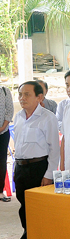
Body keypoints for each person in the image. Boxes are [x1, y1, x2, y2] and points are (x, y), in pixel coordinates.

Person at [11, 81, 59, 239]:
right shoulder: (19, 116)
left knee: (39, 212)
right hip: (20, 168)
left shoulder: (48, 117)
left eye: (27, 94)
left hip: (38, 168)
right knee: (24, 210)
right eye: (20, 94)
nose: (22, 98)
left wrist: (48, 174)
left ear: (40, 97)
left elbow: (54, 149)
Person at [0, 74, 13, 202]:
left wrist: (2, 127)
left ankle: (0, 191)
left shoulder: (4, 91)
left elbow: (9, 111)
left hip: (2, 133)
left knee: (1, 162)